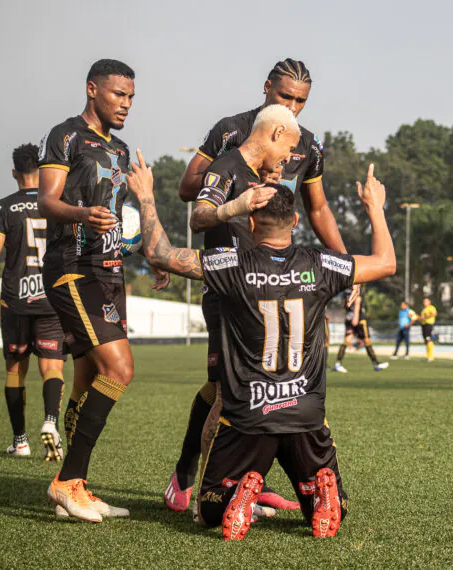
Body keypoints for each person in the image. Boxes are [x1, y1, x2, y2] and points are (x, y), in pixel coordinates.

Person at [128, 152, 396, 540]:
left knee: (208, 510)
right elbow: (386, 263)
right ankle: (319, 488)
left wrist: (146, 195)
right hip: (305, 415)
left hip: (248, 417)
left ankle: (240, 491)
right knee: (331, 506)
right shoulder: (322, 263)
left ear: (251, 222)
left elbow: (161, 255)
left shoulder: (232, 263)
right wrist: (375, 208)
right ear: (297, 222)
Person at [168, 60, 354, 513]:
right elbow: (189, 187)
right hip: (231, 275)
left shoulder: (306, 144)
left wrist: (345, 266)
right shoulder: (233, 131)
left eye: (300, 101)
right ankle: (190, 480)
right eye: (285, 96)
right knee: (224, 386)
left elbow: (319, 208)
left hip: (282, 275)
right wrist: (239, 185)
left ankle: (250, 479)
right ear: (267, 88)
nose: (292, 107)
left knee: (289, 382)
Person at [164, 105, 305, 513]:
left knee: (253, 393)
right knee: (229, 396)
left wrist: (269, 189)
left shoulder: (260, 175)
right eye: (289, 148)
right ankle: (205, 494)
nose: (288, 158)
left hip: (255, 299)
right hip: (226, 299)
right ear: (276, 133)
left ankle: (241, 483)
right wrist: (237, 206)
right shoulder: (226, 166)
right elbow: (199, 217)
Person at [37, 59, 139, 522]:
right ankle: (64, 481)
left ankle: (76, 484)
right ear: (92, 89)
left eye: (131, 97)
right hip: (73, 268)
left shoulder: (120, 149)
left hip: (110, 271)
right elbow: (47, 201)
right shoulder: (65, 135)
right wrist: (82, 216)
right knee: (120, 368)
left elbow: (118, 211)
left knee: (87, 377)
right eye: (119, 94)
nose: (126, 104)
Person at [0, 143, 68, 460]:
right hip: (52, 298)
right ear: (41, 171)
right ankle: (51, 422)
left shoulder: (3, 207)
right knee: (52, 366)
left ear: (14, 173)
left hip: (15, 300)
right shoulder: (58, 203)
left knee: (15, 369)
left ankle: (21, 441)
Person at [333, 285, 388, 373]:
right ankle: (376, 364)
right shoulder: (357, 288)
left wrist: (349, 315)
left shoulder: (345, 291)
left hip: (348, 318)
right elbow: (357, 302)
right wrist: (355, 317)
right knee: (367, 341)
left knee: (347, 340)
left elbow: (344, 305)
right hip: (359, 319)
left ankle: (337, 364)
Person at [419, 297, 438, 362]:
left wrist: (426, 317)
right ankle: (427, 356)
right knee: (426, 340)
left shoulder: (431, 307)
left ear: (429, 302)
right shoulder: (424, 309)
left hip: (428, 325)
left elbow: (434, 313)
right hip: (423, 325)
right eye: (424, 301)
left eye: (426, 301)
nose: (424, 302)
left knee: (428, 339)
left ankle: (430, 356)